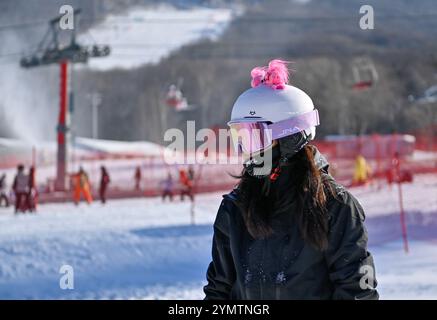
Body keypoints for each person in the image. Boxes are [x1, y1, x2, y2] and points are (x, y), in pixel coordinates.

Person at [204, 59, 378, 300]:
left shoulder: (335, 207)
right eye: (239, 136)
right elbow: (219, 290)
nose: (247, 149)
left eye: (254, 137)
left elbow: (357, 292)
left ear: (289, 138)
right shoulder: (235, 208)